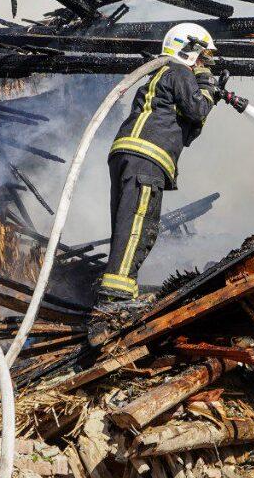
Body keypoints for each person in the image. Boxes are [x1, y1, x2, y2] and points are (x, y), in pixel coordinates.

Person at [96, 22, 230, 304]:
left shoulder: (160, 78)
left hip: (130, 155)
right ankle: (115, 299)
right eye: (204, 60)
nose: (207, 66)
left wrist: (209, 95)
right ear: (189, 52)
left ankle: (123, 291)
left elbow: (189, 128)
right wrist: (206, 85)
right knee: (137, 226)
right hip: (146, 156)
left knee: (127, 226)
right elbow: (197, 109)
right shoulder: (178, 71)